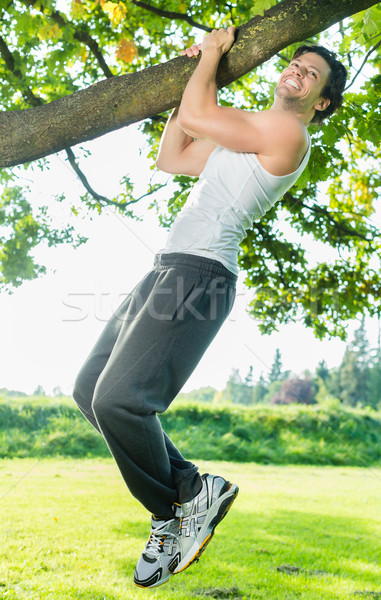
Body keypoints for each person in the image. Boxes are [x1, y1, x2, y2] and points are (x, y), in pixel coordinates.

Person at [73, 27, 347, 589]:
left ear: (319, 101)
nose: (295, 70)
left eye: (309, 73)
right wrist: (192, 79)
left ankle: (176, 508)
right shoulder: (243, 134)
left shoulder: (287, 130)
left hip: (201, 272)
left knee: (121, 400)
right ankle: (191, 492)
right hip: (169, 264)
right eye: (294, 62)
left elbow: (198, 115)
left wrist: (214, 55)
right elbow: (173, 156)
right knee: (90, 389)